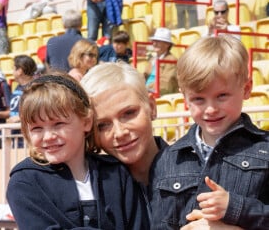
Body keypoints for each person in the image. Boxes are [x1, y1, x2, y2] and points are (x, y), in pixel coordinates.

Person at [81, 62, 240, 230]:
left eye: (129, 113)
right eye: (102, 125)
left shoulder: (209, 167)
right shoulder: (89, 186)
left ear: (152, 107)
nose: (120, 133)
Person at [149, 35, 269, 229]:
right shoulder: (168, 159)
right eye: (198, 99)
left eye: (222, 96)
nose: (211, 109)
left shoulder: (265, 150)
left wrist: (235, 208)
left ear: (246, 89)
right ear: (185, 98)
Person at [6, 73, 149, 229]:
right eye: (37, 128)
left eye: (58, 124)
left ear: (86, 122)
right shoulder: (25, 182)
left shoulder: (117, 174)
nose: (48, 137)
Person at [144, 27, 178, 96]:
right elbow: (144, 76)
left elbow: (166, 83)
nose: (154, 44)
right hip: (147, 92)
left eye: (158, 41)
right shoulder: (153, 59)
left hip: (160, 94)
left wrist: (146, 89)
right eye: (154, 41)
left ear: (167, 44)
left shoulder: (171, 60)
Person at [7, 55, 37, 123]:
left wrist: (20, 118)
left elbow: (40, 111)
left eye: (13, 69)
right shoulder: (18, 86)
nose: (12, 72)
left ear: (19, 71)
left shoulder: (35, 88)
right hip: (14, 131)